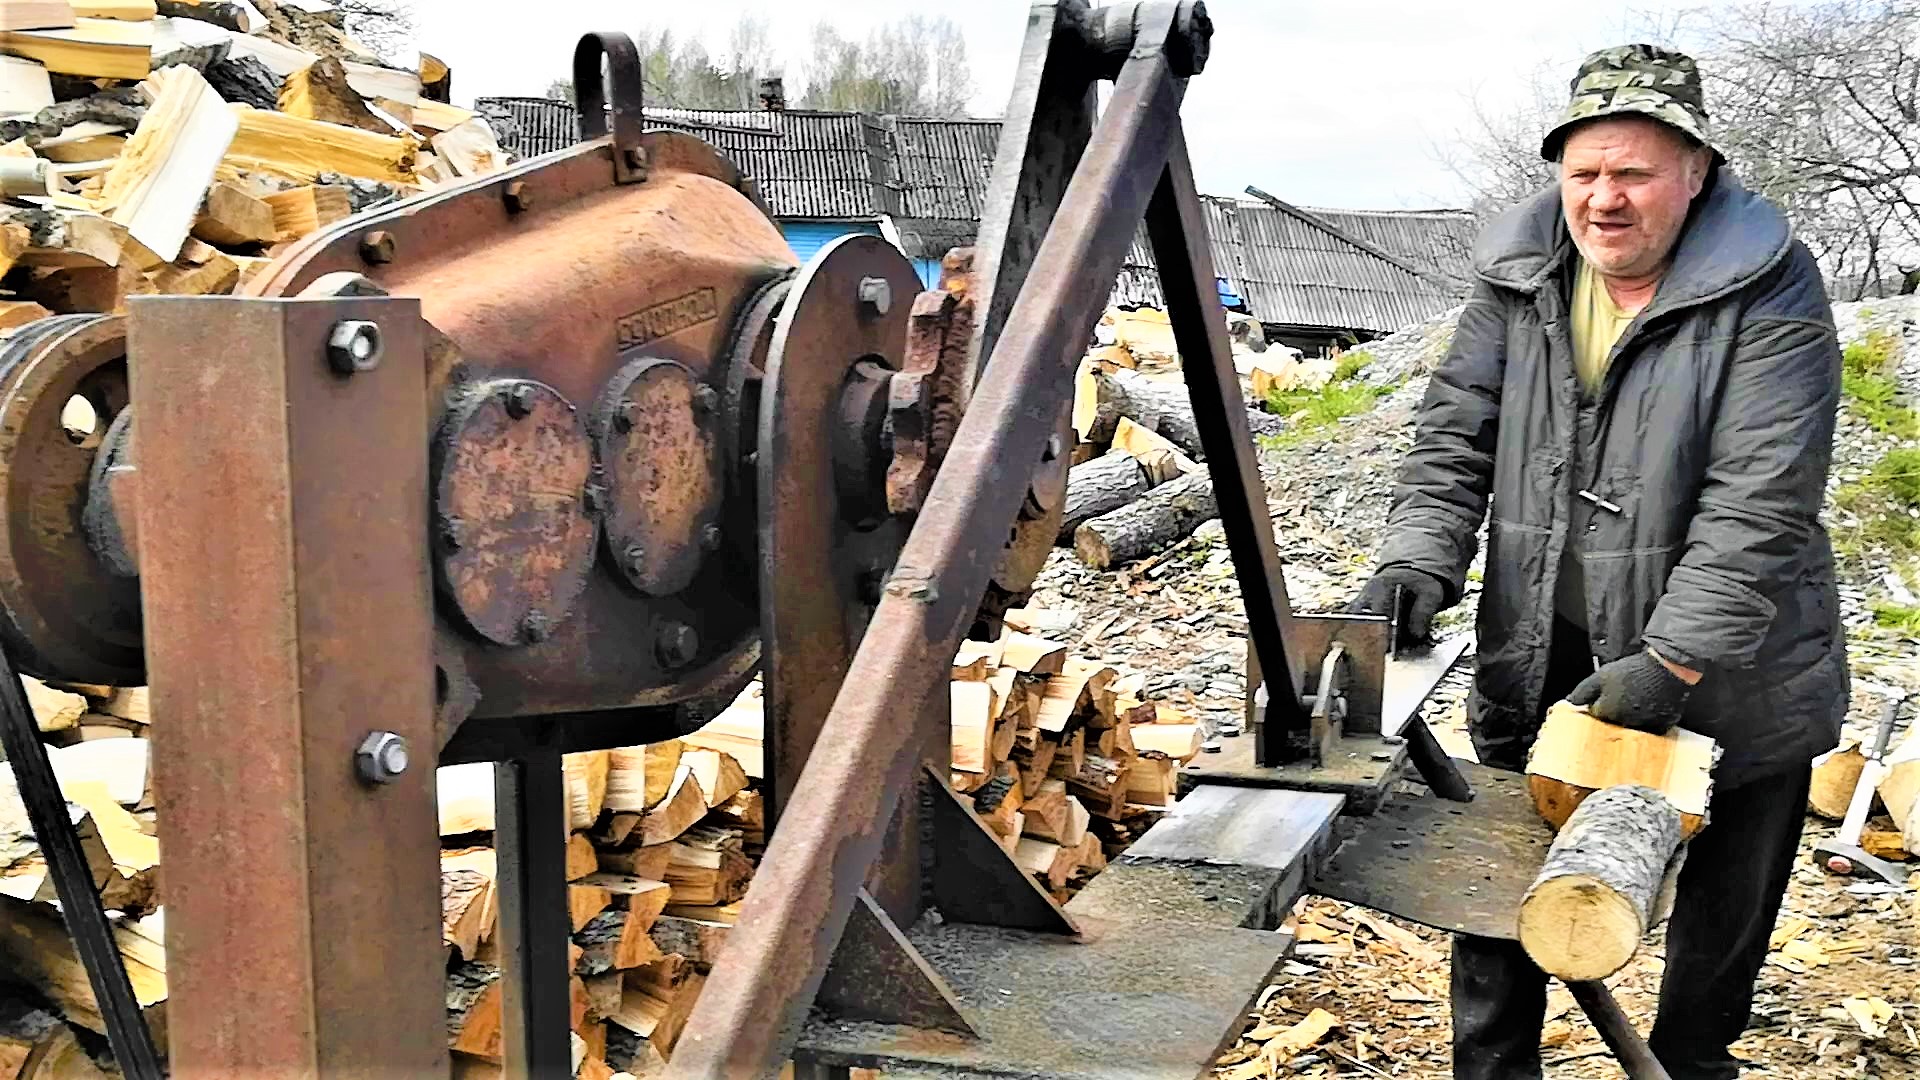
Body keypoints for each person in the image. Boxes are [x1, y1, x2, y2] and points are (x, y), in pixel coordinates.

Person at [1351, 44, 1848, 1080]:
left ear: (1697, 171)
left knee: (1719, 921)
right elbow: (1454, 438)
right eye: (1584, 174)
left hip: (1737, 663)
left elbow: (1761, 498)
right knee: (1494, 876)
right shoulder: (1519, 278)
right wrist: (1417, 563)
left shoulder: (1773, 285)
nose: (1604, 201)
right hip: (1545, 638)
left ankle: (1692, 1064)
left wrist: (1673, 661)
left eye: (1633, 174)